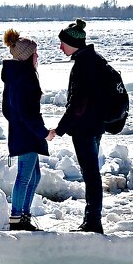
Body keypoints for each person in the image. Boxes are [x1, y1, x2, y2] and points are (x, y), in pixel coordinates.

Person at [49, 18, 107, 234]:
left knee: (91, 175)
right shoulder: (94, 60)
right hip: (95, 125)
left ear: (72, 43)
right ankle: (92, 220)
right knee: (92, 174)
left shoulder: (83, 65)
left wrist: (61, 128)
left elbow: (78, 103)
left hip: (85, 128)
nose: (60, 47)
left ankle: (93, 222)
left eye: (62, 43)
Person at [1, 28, 47, 232]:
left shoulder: (16, 75)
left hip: (24, 132)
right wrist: (42, 131)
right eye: (35, 53)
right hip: (27, 134)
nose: (37, 56)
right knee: (24, 176)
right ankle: (17, 218)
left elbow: (7, 109)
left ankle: (23, 216)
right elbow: (27, 111)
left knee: (34, 176)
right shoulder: (24, 78)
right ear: (27, 56)